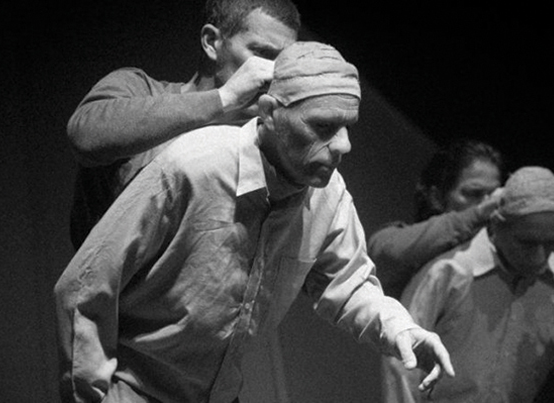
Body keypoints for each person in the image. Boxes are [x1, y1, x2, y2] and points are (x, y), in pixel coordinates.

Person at [54, 41, 455, 403]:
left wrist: (401, 329)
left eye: (347, 126)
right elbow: (86, 285)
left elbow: (349, 287)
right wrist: (89, 396)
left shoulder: (328, 194)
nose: (343, 145)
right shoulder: (195, 165)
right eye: (323, 127)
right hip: (135, 391)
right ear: (269, 113)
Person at [67, 0, 301, 248]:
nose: (272, 72)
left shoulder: (265, 138)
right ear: (211, 42)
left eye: (282, 63)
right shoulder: (138, 89)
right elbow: (85, 135)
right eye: (262, 54)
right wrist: (224, 98)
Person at [382, 166, 554, 403]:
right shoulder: (451, 272)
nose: (540, 257)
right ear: (497, 225)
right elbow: (402, 364)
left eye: (551, 243)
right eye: (527, 243)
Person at [368, 139, 506, 298]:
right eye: (474, 193)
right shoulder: (390, 239)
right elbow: (387, 252)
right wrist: (477, 214)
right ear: (437, 197)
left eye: (493, 194)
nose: (489, 203)